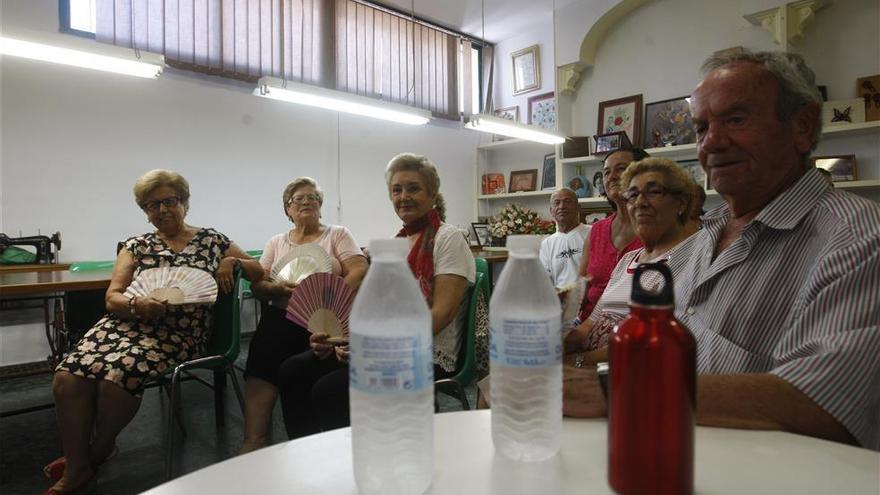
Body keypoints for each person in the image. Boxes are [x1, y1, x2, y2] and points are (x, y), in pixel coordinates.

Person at [563, 51, 880, 451]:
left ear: (802, 126)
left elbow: (828, 402)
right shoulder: (701, 240)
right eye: (701, 127)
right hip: (670, 452)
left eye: (736, 119)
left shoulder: (857, 239)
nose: (711, 142)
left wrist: (607, 390)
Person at [45, 169, 263, 494]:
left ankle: (98, 451)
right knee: (67, 377)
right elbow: (113, 297)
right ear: (145, 213)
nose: (162, 210)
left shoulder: (214, 241)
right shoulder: (135, 245)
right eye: (152, 206)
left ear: (184, 203)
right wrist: (137, 306)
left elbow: (260, 270)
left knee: (115, 379)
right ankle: (78, 464)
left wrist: (231, 264)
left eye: (169, 201)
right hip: (124, 324)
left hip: (178, 333)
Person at [276, 153, 475, 439]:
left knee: (330, 391)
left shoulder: (448, 238)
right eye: (397, 190)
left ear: (432, 193)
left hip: (424, 351)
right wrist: (341, 339)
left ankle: (350, 462)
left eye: (413, 188)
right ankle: (308, 456)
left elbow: (440, 315)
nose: (404, 196)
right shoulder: (397, 243)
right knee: (292, 371)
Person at [239, 177, 368, 453]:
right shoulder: (276, 242)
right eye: (299, 199)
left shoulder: (338, 234)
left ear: (321, 207)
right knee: (264, 354)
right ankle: (254, 439)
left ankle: (325, 443)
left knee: (306, 370)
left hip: (327, 318)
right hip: (283, 316)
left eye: (313, 198)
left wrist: (330, 293)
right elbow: (259, 284)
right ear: (287, 209)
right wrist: (276, 287)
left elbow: (359, 269)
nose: (307, 202)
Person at [564, 158, 696, 353]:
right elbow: (592, 320)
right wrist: (561, 342)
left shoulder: (689, 258)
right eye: (632, 195)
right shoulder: (628, 259)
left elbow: (645, 346)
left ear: (681, 203)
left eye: (653, 192)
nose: (640, 202)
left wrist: (578, 364)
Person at [577, 148, 650, 318]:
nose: (611, 177)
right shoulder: (597, 230)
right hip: (586, 325)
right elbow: (581, 285)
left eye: (621, 169)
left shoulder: (657, 230)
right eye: (606, 172)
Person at [539, 188, 590, 288]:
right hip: (560, 299)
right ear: (551, 211)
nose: (562, 207)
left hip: (590, 298)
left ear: (578, 207)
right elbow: (545, 281)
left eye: (567, 202)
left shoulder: (593, 233)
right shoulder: (546, 244)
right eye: (557, 203)